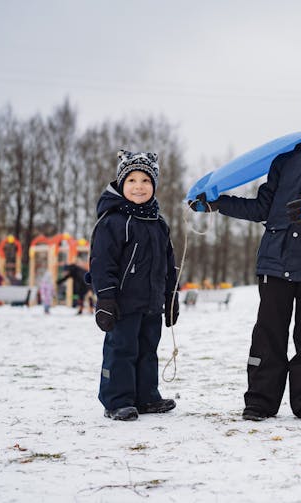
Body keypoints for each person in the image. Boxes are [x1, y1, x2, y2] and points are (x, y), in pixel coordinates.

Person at [189, 89, 301, 422]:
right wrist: (217, 203)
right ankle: (259, 402)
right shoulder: (286, 160)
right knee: (269, 332)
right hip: (276, 261)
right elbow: (261, 208)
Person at [88, 150, 180, 421]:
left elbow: (168, 264)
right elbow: (101, 264)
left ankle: (146, 396)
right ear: (120, 184)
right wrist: (105, 299)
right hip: (123, 304)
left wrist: (171, 298)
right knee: (122, 350)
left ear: (154, 185)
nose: (139, 186)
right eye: (132, 180)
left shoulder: (158, 224)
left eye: (145, 181)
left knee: (147, 350)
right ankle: (117, 400)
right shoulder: (113, 222)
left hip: (151, 303)